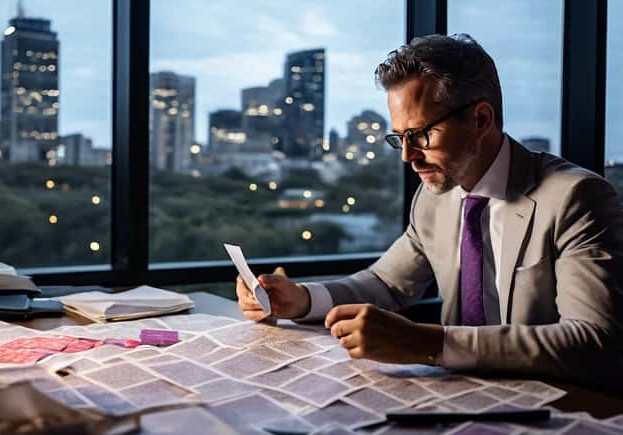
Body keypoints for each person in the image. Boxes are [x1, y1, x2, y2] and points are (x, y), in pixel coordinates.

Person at [236, 34, 623, 390]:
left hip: (558, 406)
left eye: (422, 135)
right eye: (399, 138)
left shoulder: (577, 197)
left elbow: (591, 340)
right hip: (457, 395)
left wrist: (427, 342)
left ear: (481, 120)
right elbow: (386, 284)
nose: (407, 156)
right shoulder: (434, 196)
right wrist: (302, 299)